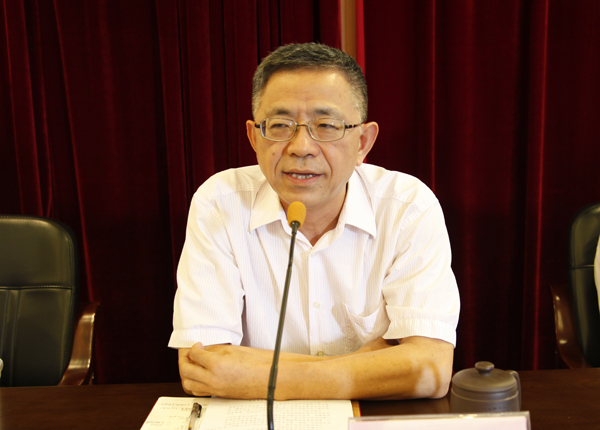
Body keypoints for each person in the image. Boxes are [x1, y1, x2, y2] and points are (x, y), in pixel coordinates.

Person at [169, 43, 460, 400]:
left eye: (326, 125)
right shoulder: (219, 203)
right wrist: (372, 363)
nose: (301, 147)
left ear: (363, 142)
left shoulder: (407, 207)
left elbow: (431, 371)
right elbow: (200, 368)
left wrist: (255, 375)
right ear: (254, 137)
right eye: (280, 125)